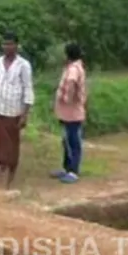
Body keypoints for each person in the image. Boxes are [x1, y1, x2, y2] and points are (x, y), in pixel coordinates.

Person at [0, 32, 34, 189]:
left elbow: (27, 89)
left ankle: (9, 181)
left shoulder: (23, 65)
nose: (7, 47)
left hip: (12, 112)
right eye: (4, 44)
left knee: (10, 148)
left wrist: (25, 114)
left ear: (17, 46)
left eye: (10, 44)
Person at [51, 43, 87, 184]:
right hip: (68, 112)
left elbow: (71, 83)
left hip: (72, 112)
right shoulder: (75, 67)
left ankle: (73, 171)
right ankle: (67, 168)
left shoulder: (73, 69)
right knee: (66, 140)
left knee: (72, 141)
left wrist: (66, 98)